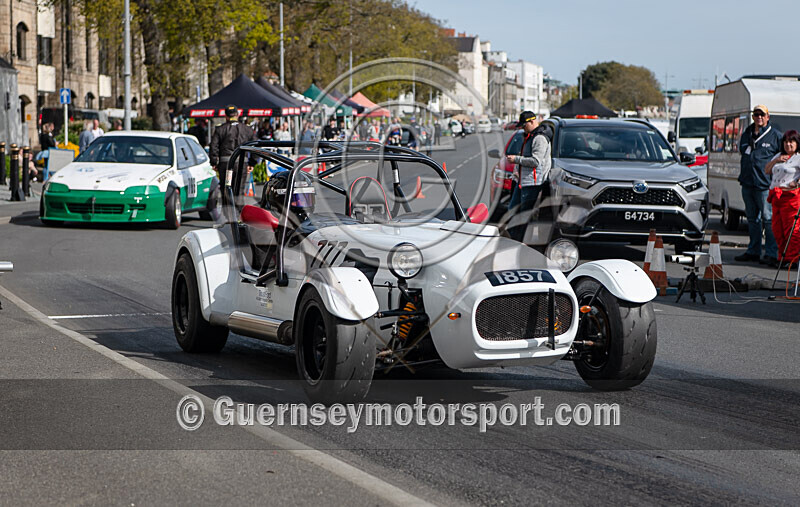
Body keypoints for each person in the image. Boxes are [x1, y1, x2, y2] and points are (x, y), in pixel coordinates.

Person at [735, 105, 782, 266]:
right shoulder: (747, 133)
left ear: (768, 117)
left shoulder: (775, 136)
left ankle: (771, 252)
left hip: (764, 184)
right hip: (748, 182)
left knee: (768, 219)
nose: (759, 117)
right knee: (752, 219)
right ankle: (753, 250)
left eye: (762, 115)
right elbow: (743, 151)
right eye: (756, 115)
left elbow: (785, 155)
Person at [505, 111, 553, 242]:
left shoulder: (539, 138)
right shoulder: (530, 136)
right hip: (523, 181)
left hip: (532, 183)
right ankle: (513, 239)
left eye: (524, 125)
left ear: (532, 122)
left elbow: (535, 161)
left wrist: (516, 159)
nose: (522, 128)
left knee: (524, 215)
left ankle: (521, 241)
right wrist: (517, 170)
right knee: (513, 211)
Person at [765, 130, 800, 265]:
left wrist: (796, 183)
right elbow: (767, 170)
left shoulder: (798, 157)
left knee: (791, 229)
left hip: (790, 196)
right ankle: (782, 257)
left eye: (791, 141)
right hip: (776, 196)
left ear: (797, 143)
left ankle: (792, 259)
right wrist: (776, 160)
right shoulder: (779, 155)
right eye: (785, 142)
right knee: (777, 229)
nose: (788, 145)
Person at [209, 104, 256, 187]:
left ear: (226, 116)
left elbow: (213, 146)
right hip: (241, 163)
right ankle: (237, 200)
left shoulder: (220, 129)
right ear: (237, 115)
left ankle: (227, 200)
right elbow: (255, 146)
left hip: (226, 163)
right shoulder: (247, 129)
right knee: (239, 191)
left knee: (226, 190)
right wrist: (252, 163)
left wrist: (214, 162)